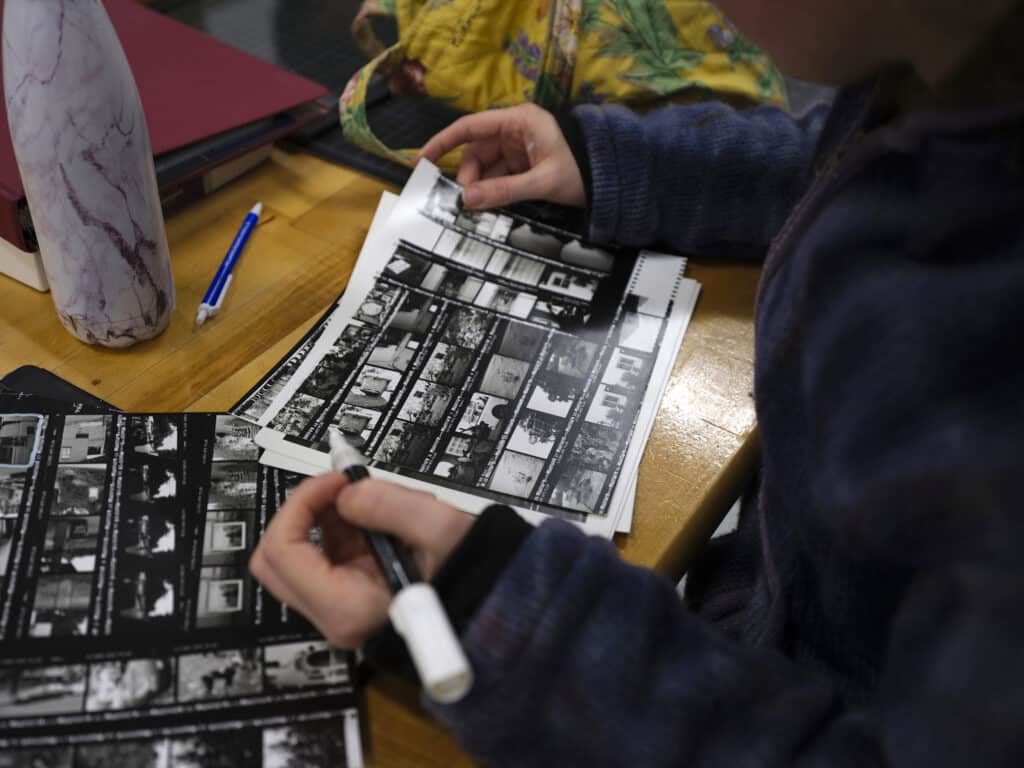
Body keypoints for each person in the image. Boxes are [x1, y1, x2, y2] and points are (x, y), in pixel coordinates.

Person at [250, 0, 1024, 764]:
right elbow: (832, 162)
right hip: (772, 606)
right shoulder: (949, 74)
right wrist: (612, 164)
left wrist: (513, 618)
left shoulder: (985, 378)